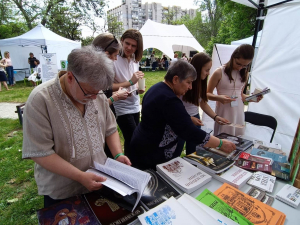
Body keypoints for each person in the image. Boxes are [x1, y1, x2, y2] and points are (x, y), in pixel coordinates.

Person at [22, 46, 131, 208]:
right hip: (63, 190)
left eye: (98, 92)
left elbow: (110, 128)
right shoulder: (41, 99)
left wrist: (117, 154)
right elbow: (40, 152)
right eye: (88, 92)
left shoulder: (96, 94)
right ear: (70, 77)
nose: (95, 97)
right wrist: (80, 176)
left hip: (100, 180)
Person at [129, 60, 236, 170]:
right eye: (188, 82)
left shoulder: (157, 88)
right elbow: (189, 131)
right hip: (151, 154)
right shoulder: (170, 100)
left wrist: (188, 118)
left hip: (143, 146)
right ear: (175, 79)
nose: (190, 87)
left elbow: (162, 115)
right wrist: (221, 143)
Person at [176, 53, 230, 155]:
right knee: (176, 149)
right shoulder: (184, 82)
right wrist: (188, 118)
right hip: (182, 119)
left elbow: (203, 103)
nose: (208, 73)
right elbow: (175, 106)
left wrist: (215, 117)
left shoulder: (201, 83)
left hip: (195, 118)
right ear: (197, 68)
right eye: (207, 70)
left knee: (193, 152)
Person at [207, 44, 262, 136]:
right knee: (223, 138)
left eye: (245, 65)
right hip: (224, 111)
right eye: (238, 63)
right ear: (233, 57)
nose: (240, 67)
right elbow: (206, 94)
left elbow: (241, 96)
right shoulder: (219, 72)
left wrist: (251, 98)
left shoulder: (245, 73)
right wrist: (218, 98)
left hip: (239, 112)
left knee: (237, 139)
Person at [92, 32, 129, 159]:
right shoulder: (92, 75)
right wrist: (115, 97)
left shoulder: (102, 71)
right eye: (114, 55)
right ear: (105, 54)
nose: (115, 59)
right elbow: (93, 107)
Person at [113, 29, 145, 155]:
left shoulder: (135, 60)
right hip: (121, 107)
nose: (129, 48)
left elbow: (133, 81)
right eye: (127, 43)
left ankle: (130, 166)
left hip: (135, 105)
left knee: (131, 140)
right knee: (134, 140)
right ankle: (133, 167)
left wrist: (138, 87)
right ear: (121, 41)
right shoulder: (113, 59)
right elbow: (107, 87)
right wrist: (130, 82)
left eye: (134, 46)